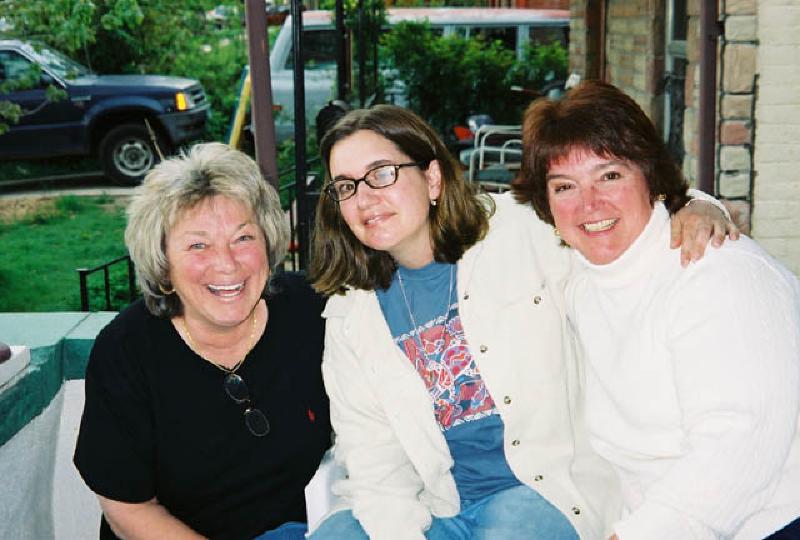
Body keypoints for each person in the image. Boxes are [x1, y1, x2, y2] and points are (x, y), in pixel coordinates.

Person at [306, 104, 734, 539]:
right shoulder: (349, 313)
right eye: (346, 186)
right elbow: (374, 460)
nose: (365, 198)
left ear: (432, 177)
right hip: (438, 507)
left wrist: (693, 204)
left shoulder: (519, 228)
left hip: (545, 493)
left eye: (382, 174)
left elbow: (612, 221)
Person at [513, 80, 800, 539]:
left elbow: (735, 449)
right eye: (565, 186)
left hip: (763, 522)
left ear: (649, 175)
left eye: (610, 175)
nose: (590, 204)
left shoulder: (714, 272)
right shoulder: (582, 277)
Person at [73, 142, 332, 540]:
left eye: (243, 238)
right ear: (164, 264)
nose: (227, 264)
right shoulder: (126, 350)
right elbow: (127, 510)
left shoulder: (313, 313)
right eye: (198, 245)